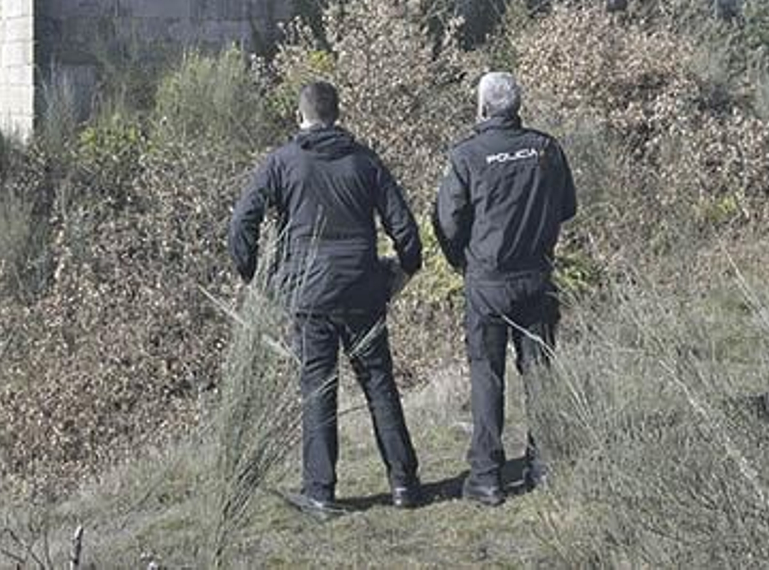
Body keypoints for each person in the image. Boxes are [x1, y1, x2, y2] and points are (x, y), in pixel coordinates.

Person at [229, 81, 424, 517]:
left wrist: (257, 279)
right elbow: (406, 230)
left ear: (301, 116)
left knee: (318, 388)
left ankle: (320, 491)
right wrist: (402, 273)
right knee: (379, 383)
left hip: (309, 293)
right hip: (362, 289)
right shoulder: (365, 161)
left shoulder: (281, 163)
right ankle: (404, 484)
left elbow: (242, 225)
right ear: (337, 114)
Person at [434, 71, 576, 506]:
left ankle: (487, 476)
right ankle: (545, 463)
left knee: (486, 374)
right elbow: (567, 207)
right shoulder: (546, 148)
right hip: (536, 276)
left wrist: (462, 259)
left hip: (488, 281)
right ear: (517, 105)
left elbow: (447, 222)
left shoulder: (467, 155)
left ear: (482, 108)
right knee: (539, 372)